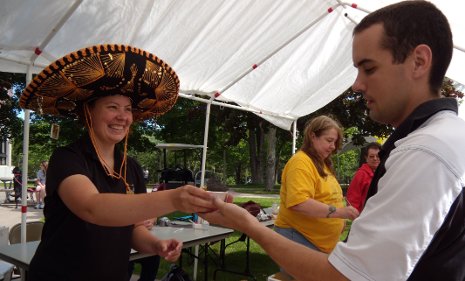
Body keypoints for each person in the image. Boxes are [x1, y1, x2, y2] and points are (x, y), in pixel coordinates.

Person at [201, 1, 465, 280]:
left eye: (369, 68)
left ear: (419, 61)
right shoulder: (443, 139)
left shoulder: (424, 153)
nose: (357, 84)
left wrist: (247, 224)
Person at [19, 44, 217, 281]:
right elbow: (92, 207)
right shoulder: (67, 158)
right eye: (112, 107)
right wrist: (173, 198)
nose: (122, 117)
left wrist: (155, 244)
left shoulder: (130, 167)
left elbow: (132, 228)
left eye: (127, 109)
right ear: (89, 112)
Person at [274, 115, 359, 259]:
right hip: (300, 239)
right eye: (329, 140)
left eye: (335, 142)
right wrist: (340, 213)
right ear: (313, 136)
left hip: (317, 243)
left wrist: (340, 221)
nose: (333, 146)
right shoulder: (301, 163)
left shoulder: (322, 163)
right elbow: (299, 203)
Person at [345, 142, 381, 212]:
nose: (375, 158)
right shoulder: (361, 174)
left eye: (378, 156)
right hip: (365, 216)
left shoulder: (384, 172)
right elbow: (352, 200)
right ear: (366, 158)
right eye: (371, 156)